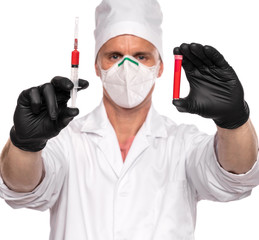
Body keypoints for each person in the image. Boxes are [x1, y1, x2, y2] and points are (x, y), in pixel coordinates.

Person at [0, 0, 259, 239]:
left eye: (140, 56)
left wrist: (233, 121)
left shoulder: (183, 143)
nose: (127, 67)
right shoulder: (65, 140)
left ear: (160, 67)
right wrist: (25, 143)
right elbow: (22, 189)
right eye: (114, 56)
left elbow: (234, 176)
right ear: (97, 67)